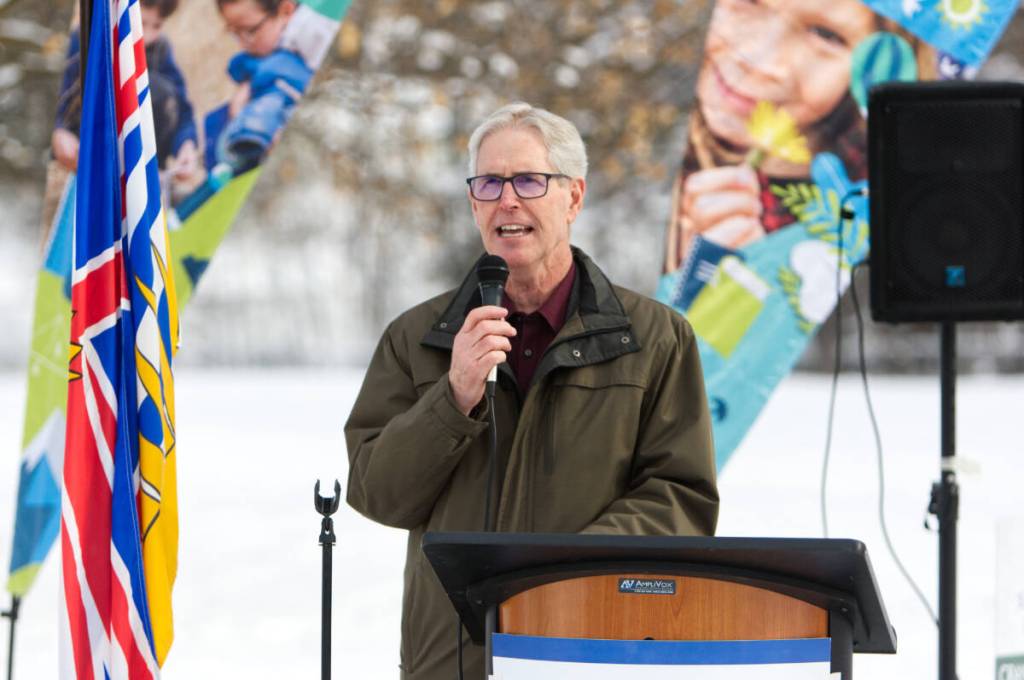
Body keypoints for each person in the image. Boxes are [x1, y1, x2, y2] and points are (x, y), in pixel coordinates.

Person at [345, 102, 719, 680]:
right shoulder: (416, 339)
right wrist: (455, 396)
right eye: (489, 182)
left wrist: (564, 571)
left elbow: (681, 498)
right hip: (451, 662)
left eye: (528, 180)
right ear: (474, 204)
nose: (507, 200)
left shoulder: (655, 338)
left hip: (591, 651)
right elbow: (378, 494)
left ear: (573, 198)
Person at [663, 0, 932, 273]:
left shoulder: (862, 220)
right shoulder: (649, 114)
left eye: (825, 34)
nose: (758, 60)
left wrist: (753, 285)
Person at [52, 0, 199, 181]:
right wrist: (60, 131)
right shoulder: (87, 36)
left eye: (157, 26)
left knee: (158, 88)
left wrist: (186, 145)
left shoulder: (160, 49)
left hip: (140, 159)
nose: (147, 35)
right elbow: (64, 96)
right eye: (141, 22)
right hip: (88, 151)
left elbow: (182, 107)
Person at [214, 0, 313, 171]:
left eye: (250, 31)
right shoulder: (256, 60)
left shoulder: (311, 42)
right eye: (234, 32)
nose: (242, 43)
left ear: (286, 11)